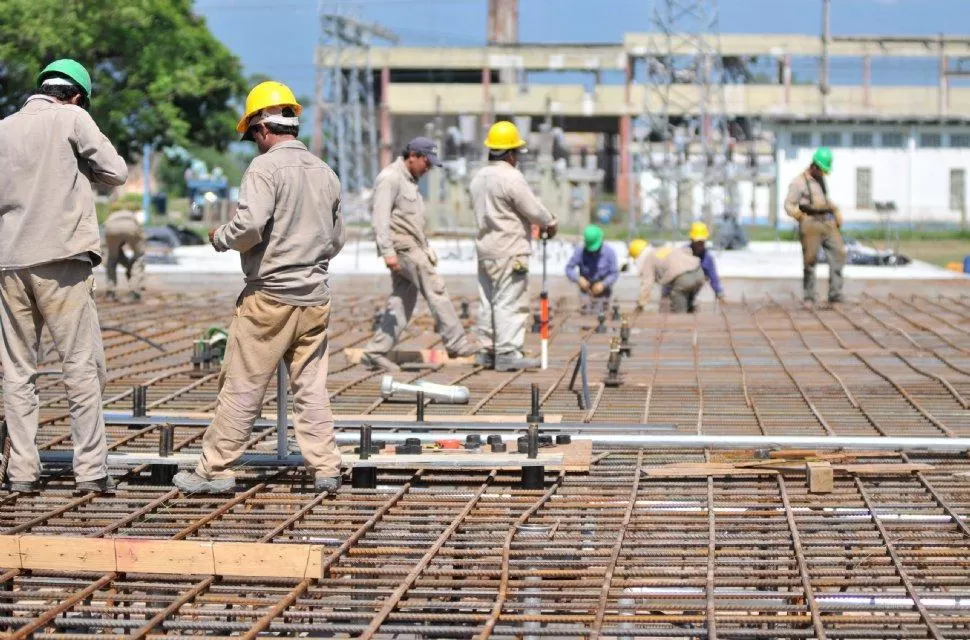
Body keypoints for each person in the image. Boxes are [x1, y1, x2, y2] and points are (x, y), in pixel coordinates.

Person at [172, 81, 345, 495]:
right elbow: (336, 241)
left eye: (252, 135)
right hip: (315, 298)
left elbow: (249, 227)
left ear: (263, 129)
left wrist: (220, 237)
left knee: (242, 384)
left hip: (269, 297)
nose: (253, 142)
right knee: (311, 387)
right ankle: (326, 467)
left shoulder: (264, 169)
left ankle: (214, 470)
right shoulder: (326, 173)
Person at [0, 59, 128, 493]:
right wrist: (81, 167)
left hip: (10, 262)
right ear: (76, 95)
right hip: (63, 261)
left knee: (17, 372)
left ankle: (21, 472)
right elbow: (116, 172)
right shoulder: (74, 118)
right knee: (81, 367)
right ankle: (90, 471)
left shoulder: (4, 127)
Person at [360, 137, 479, 372]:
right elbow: (380, 218)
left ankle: (375, 352)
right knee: (436, 288)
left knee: (402, 303)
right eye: (426, 162)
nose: (428, 168)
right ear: (412, 155)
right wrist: (387, 253)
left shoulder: (410, 181)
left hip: (412, 247)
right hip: (403, 249)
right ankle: (456, 343)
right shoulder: (391, 178)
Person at [470, 121, 557, 371]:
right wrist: (550, 223)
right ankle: (508, 352)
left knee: (488, 301)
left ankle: (486, 350)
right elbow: (533, 209)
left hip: (485, 250)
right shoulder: (510, 177)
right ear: (510, 153)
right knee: (510, 301)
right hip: (509, 250)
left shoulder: (478, 178)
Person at [784, 147, 846, 305]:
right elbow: (789, 205)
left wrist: (836, 210)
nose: (823, 174)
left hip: (826, 220)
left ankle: (835, 293)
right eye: (822, 170)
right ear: (814, 166)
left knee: (838, 254)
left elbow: (824, 200)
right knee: (810, 260)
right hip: (810, 222)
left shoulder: (820, 180)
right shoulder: (798, 183)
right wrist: (799, 216)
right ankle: (809, 296)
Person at [634, 240, 706, 314]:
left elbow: (647, 283)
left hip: (683, 278)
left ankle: (682, 321)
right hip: (699, 273)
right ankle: (692, 314)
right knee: (688, 306)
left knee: (679, 313)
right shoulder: (660, 250)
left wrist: (641, 304)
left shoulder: (648, 258)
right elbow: (688, 251)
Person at [565, 224, 619, 315]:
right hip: (585, 291)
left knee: (601, 318)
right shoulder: (580, 251)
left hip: (603, 291)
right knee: (586, 318)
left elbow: (614, 273)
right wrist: (578, 279)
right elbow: (568, 268)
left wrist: (603, 284)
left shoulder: (609, 253)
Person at [103, 202, 146, 302]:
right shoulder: (131, 215)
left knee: (112, 258)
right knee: (139, 256)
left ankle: (110, 292)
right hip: (130, 226)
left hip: (110, 227)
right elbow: (140, 234)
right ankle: (135, 292)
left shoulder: (112, 215)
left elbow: (114, 251)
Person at [683, 222, 725, 307]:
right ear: (691, 240)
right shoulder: (682, 253)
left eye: (702, 242)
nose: (700, 245)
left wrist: (719, 293)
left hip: (691, 291)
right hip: (676, 291)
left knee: (700, 276)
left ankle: (689, 302)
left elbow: (713, 277)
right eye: (698, 242)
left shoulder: (707, 258)